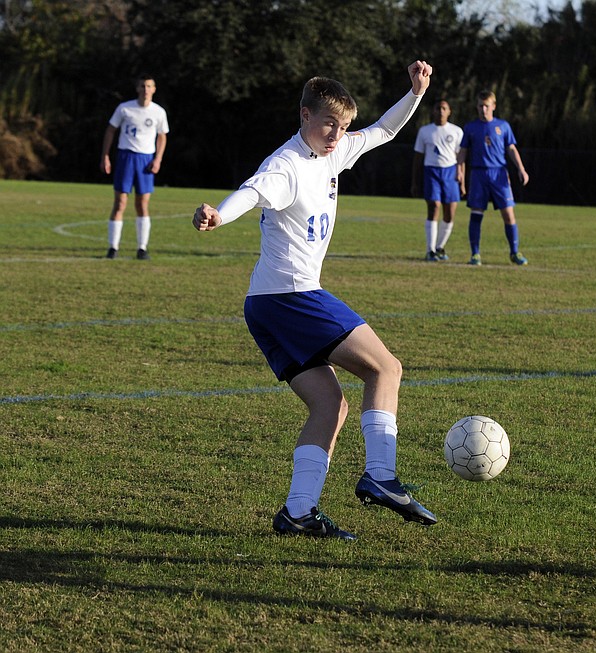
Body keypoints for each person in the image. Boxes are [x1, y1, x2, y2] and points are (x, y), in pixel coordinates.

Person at [192, 61, 437, 541]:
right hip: (291, 297)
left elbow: (383, 132)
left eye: (343, 126)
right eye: (329, 123)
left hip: (267, 303)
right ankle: (381, 476)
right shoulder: (286, 165)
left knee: (331, 406)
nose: (336, 134)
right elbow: (253, 192)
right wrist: (219, 214)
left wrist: (415, 93)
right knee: (386, 369)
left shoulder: (333, 151)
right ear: (304, 115)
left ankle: (298, 512)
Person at [456, 90, 529, 266]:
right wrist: (460, 171)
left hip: (499, 174)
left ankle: (514, 252)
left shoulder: (503, 126)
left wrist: (521, 169)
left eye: (486, 106)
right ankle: (475, 254)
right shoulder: (470, 128)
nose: (483, 109)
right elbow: (463, 152)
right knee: (476, 214)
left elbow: (511, 148)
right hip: (478, 174)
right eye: (480, 106)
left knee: (509, 215)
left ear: (493, 106)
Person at [100, 74, 169, 260]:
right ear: (137, 88)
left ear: (154, 89)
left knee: (142, 204)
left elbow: (162, 135)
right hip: (126, 157)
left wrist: (158, 159)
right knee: (120, 203)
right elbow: (110, 129)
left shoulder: (158, 112)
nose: (145, 89)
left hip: (146, 160)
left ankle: (142, 248)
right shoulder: (125, 108)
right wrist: (105, 156)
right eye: (142, 86)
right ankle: (113, 247)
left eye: (149, 86)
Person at [411, 99, 465, 261]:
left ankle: (440, 248)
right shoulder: (425, 131)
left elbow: (460, 157)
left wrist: (462, 179)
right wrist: (414, 181)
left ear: (449, 112)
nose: (441, 111)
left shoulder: (456, 131)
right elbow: (418, 157)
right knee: (434, 206)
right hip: (431, 172)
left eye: (444, 108)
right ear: (433, 111)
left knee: (449, 213)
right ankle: (430, 250)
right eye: (438, 108)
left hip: (451, 172)